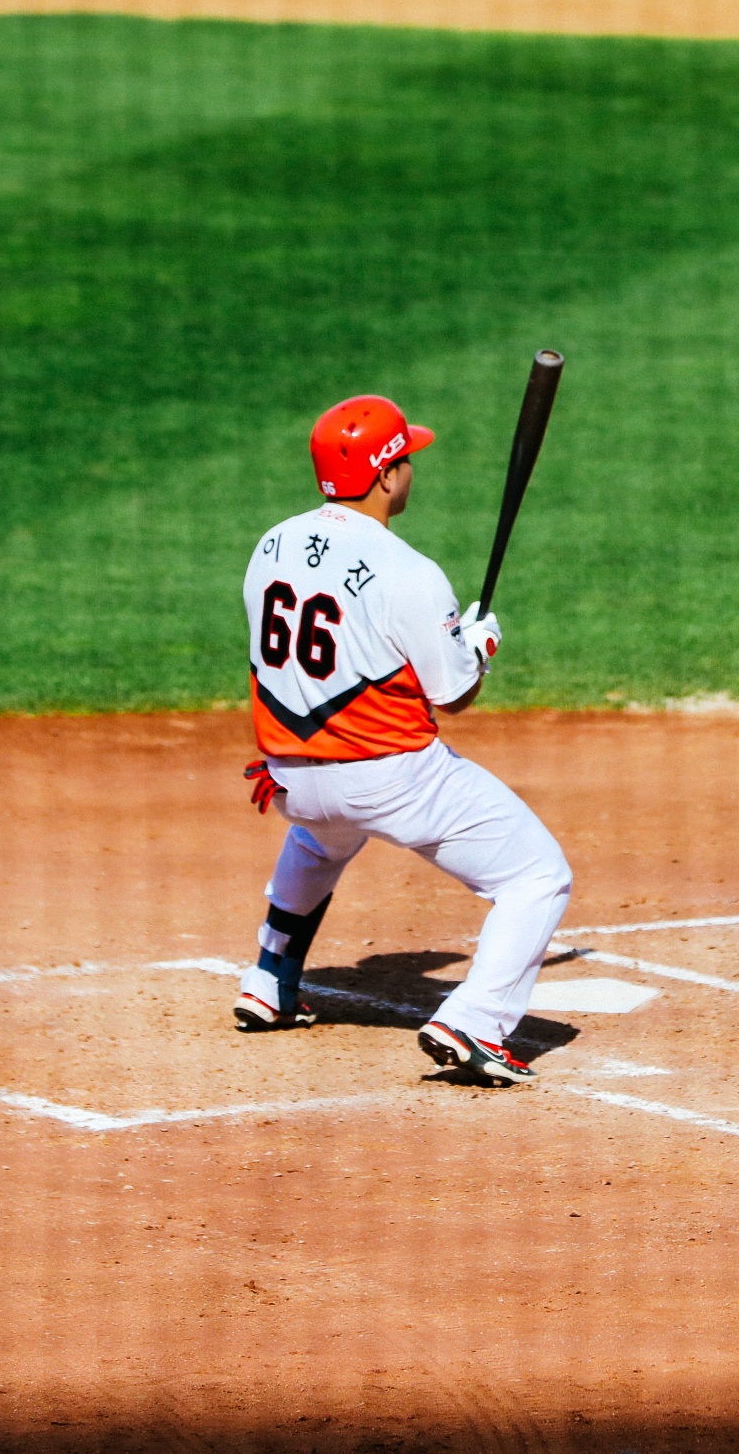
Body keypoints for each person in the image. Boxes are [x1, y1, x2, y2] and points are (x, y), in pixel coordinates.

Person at [230, 394, 572, 1086]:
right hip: (390, 780)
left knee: (322, 836)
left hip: (290, 777)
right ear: (386, 475)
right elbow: (453, 694)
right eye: (406, 458)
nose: (412, 468)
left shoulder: (271, 544)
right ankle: (474, 1021)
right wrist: (478, 645)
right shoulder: (410, 572)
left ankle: (269, 979)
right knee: (537, 876)